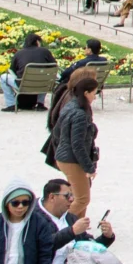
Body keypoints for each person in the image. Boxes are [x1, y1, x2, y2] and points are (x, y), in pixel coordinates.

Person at [45, 69, 102, 220]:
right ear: (86, 92)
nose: (95, 97)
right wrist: (89, 167)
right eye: (94, 93)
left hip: (64, 156)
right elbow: (78, 145)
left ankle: (79, 226)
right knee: (82, 199)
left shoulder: (71, 105)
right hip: (72, 159)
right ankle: (60, 225)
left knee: (79, 195)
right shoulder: (79, 113)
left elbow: (56, 131)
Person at [4, 31, 57, 111]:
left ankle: (11, 105)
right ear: (37, 42)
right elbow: (54, 66)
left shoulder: (19, 53)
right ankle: (40, 103)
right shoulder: (45, 51)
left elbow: (12, 71)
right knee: (46, 76)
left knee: (3, 78)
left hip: (23, 85)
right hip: (43, 85)